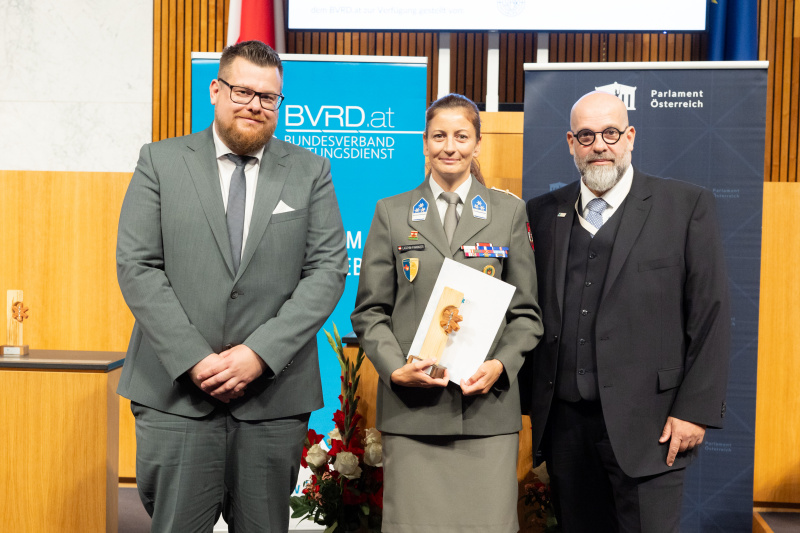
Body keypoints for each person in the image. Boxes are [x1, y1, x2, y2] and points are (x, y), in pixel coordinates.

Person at [116, 40, 347, 532]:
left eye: (268, 97)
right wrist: (195, 359)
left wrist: (258, 354)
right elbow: (138, 266)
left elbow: (327, 270)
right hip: (176, 397)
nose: (255, 105)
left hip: (271, 399)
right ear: (216, 90)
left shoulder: (310, 171)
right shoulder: (159, 161)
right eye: (243, 91)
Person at [525, 91, 730, 533]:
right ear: (570, 143)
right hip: (566, 433)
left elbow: (710, 314)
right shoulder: (541, 213)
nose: (599, 144)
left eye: (610, 133)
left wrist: (694, 410)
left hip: (652, 430)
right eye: (586, 135)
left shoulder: (684, 206)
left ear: (630, 136)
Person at [351, 93, 543, 533]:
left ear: (478, 143)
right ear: (424, 143)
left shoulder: (508, 212)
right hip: (414, 411)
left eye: (461, 136)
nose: (449, 146)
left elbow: (527, 313)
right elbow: (369, 312)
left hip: (486, 413)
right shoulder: (392, 213)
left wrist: (501, 364)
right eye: (439, 136)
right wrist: (395, 369)